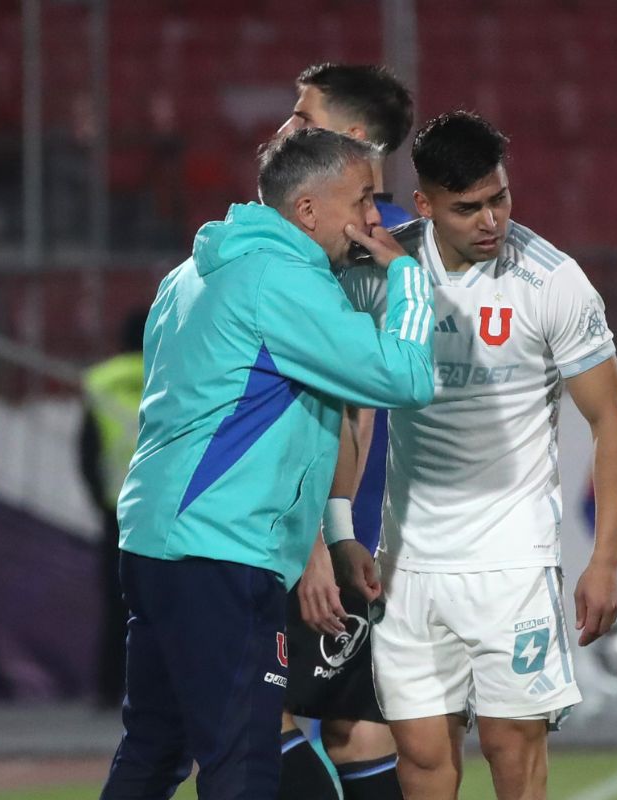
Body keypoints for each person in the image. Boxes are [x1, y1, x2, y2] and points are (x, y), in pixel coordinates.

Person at [99, 127, 436, 800]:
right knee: (244, 766)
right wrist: (407, 276)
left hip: (156, 545)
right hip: (222, 555)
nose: (373, 217)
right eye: (362, 199)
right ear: (307, 211)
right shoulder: (283, 279)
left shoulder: (189, 273)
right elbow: (406, 377)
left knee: (155, 753)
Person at [337, 112, 617, 800]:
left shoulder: (551, 280)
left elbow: (609, 421)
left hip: (514, 564)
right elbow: (347, 412)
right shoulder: (382, 274)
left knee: (512, 751)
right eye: (466, 207)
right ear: (424, 203)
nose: (490, 220)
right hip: (410, 563)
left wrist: (606, 559)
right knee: (422, 761)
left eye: (499, 198)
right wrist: (339, 531)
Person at [274, 63, 415, 800]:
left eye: (303, 116)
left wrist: (322, 540)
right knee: (355, 721)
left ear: (351, 138)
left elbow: (344, 399)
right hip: (372, 524)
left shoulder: (344, 246)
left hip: (330, 526)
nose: (286, 126)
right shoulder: (405, 239)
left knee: (247, 710)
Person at [78, 308, 150, 709]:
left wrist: (101, 500)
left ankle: (109, 691)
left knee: (116, 604)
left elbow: (86, 453)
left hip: (117, 510)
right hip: (170, 509)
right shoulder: (177, 373)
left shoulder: (101, 384)